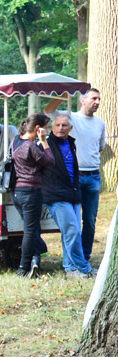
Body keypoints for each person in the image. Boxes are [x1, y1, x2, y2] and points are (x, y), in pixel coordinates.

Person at [40, 111, 93, 278]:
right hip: (56, 195)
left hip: (73, 194)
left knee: (71, 232)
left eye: (64, 125)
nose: (60, 128)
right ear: (52, 127)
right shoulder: (45, 144)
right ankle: (82, 268)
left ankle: (70, 267)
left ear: (71, 128)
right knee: (72, 231)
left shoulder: (71, 143)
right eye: (57, 125)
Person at [10, 114, 52, 278]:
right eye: (46, 128)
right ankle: (23, 267)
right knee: (30, 231)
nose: (47, 131)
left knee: (32, 230)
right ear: (38, 128)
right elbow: (50, 161)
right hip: (31, 192)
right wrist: (44, 141)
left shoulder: (15, 141)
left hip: (16, 193)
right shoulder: (31, 146)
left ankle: (35, 260)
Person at [69, 88, 107, 265]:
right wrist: (65, 92)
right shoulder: (72, 118)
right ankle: (74, 257)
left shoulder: (100, 123)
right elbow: (49, 112)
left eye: (99, 99)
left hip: (93, 177)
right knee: (74, 221)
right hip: (75, 177)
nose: (97, 102)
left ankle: (85, 257)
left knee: (90, 220)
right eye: (93, 98)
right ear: (82, 100)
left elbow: (100, 147)